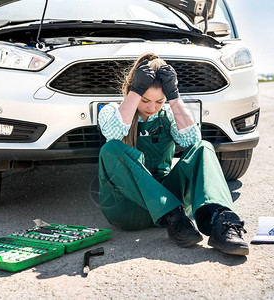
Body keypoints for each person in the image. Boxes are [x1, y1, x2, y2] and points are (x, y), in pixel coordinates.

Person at [97, 53, 249, 256]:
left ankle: (221, 221)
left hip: (174, 213)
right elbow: (113, 133)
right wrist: (135, 92)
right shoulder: (112, 111)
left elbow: (192, 142)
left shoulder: (167, 114)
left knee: (204, 147)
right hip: (129, 209)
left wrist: (175, 97)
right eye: (144, 100)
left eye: (159, 101)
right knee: (110, 149)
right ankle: (171, 214)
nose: (151, 108)